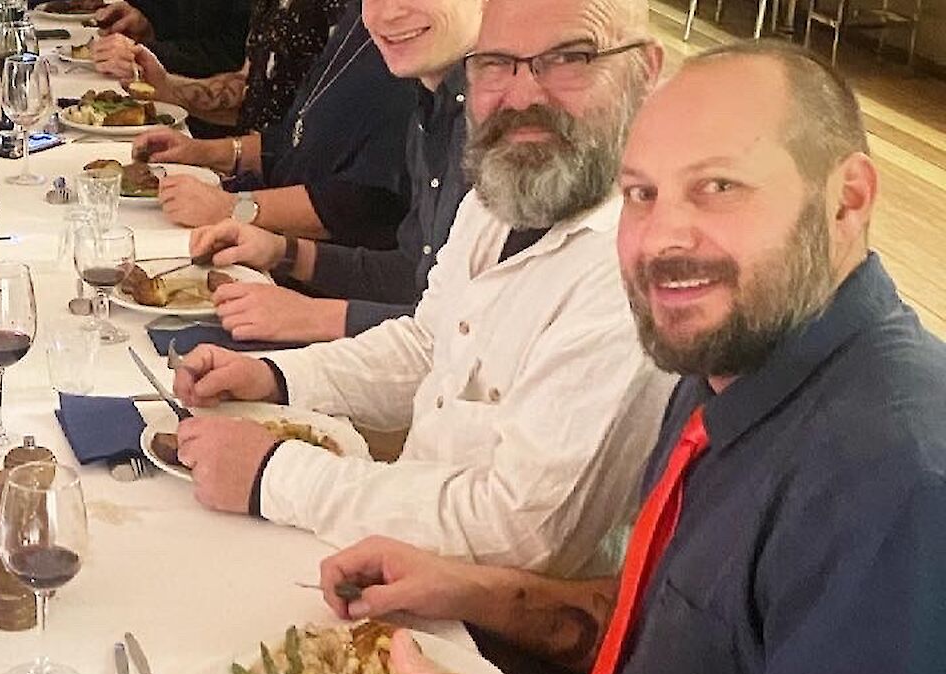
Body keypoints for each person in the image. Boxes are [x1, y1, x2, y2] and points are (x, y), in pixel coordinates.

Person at [312, 41, 946, 674]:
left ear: (848, 200)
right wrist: (468, 587)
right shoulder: (724, 363)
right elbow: (666, 635)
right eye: (641, 193)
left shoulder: (895, 489)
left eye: (719, 187)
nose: (662, 240)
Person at [170, 0, 673, 578]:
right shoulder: (502, 193)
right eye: (497, 63)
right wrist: (278, 377)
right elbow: (428, 344)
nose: (523, 95)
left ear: (645, 70)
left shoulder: (637, 268)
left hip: (487, 644)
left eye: (570, 58)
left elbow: (526, 534)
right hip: (397, 553)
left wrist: (273, 477)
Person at [181, 0, 483, 343]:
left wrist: (313, 316)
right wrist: (284, 252)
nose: (387, 13)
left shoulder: (507, 126)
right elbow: (416, 273)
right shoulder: (429, 98)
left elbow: (474, 332)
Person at [125, 0, 416, 248]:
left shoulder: (393, 31)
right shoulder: (357, 15)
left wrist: (233, 208)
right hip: (267, 220)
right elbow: (287, 130)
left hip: (317, 263)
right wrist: (199, 149)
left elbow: (365, 202)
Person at [95, 0, 345, 136]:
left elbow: (341, 186)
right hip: (253, 169)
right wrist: (166, 86)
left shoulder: (348, 12)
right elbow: (253, 93)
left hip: (282, 196)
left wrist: (233, 199)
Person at [90, 0, 253, 80]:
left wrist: (147, 53)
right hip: (172, 90)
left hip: (214, 122)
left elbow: (233, 56)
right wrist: (148, 26)